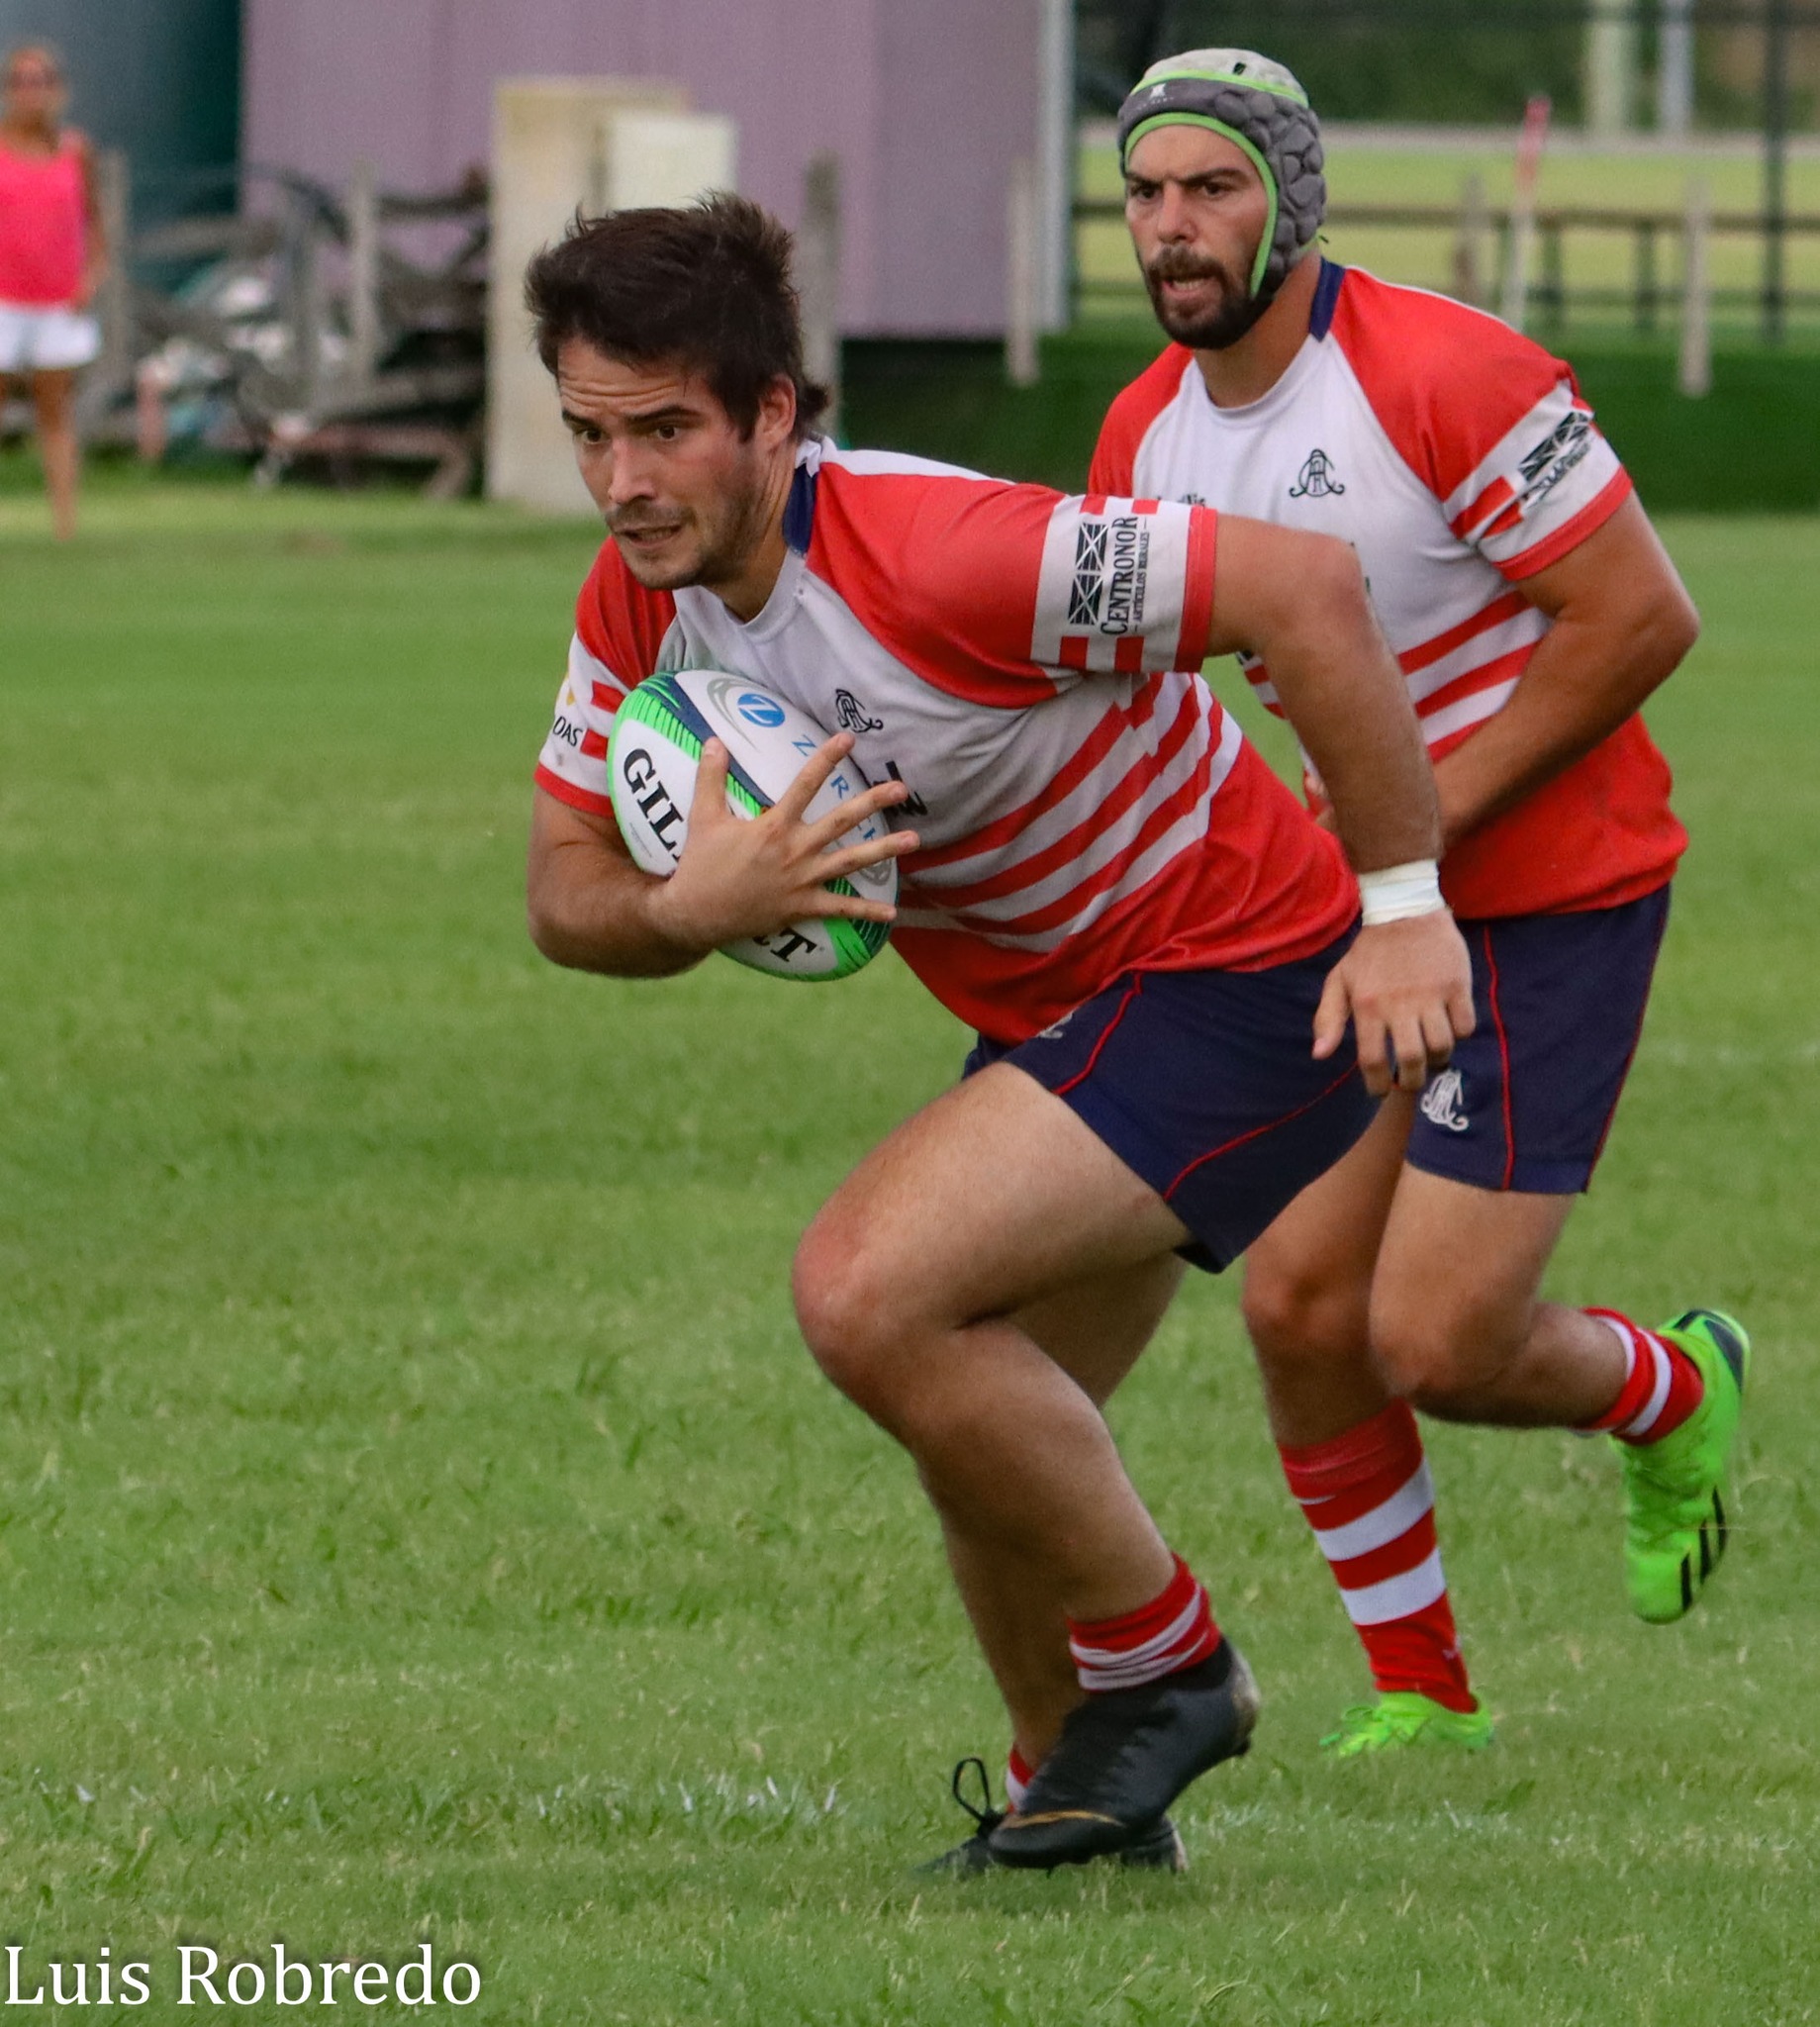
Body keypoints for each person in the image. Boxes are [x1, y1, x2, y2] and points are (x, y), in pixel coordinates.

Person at [521, 193, 1474, 1871]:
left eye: (663, 429)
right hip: (1074, 1016)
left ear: (768, 411)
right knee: (985, 1428)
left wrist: (1402, 907)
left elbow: (1303, 590)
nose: (623, 483)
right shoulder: (638, 602)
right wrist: (688, 906)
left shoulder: (947, 554)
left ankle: (1168, 1664)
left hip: (1246, 969)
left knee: (866, 1290)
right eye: (591, 434)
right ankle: (1080, 1804)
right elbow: (561, 887)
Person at [1076, 50, 1741, 1759]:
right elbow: (1123, 689)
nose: (1171, 227)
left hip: (1546, 893)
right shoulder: (1139, 432)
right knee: (1297, 1301)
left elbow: (1637, 614)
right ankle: (1423, 1696)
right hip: (1358, 902)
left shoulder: (1441, 367)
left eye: (1209, 188)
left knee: (1432, 1336)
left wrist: (1416, 823)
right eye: (1144, 193)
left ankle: (1673, 1385)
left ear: (1286, 200)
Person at [0, 42, 105, 540]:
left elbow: (95, 225)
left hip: (58, 300)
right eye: (21, 81)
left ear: (57, 90)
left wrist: (90, 278)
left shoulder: (75, 150)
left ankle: (65, 526)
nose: (31, 92)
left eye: (40, 81)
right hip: (4, 298)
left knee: (55, 411)